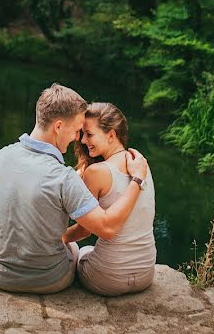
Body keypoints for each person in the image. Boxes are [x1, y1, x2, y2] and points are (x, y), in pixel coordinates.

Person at [0, 83, 150, 294]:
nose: (77, 139)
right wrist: (137, 180)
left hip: (0, 275)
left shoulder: (2, 156)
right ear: (58, 126)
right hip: (47, 280)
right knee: (74, 249)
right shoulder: (63, 177)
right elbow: (107, 229)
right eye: (76, 130)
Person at [62, 102, 156, 296]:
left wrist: (59, 238)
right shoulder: (139, 163)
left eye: (89, 134)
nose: (83, 140)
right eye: (82, 134)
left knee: (79, 250)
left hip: (108, 279)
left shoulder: (96, 172)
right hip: (146, 273)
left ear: (111, 135)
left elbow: (84, 230)